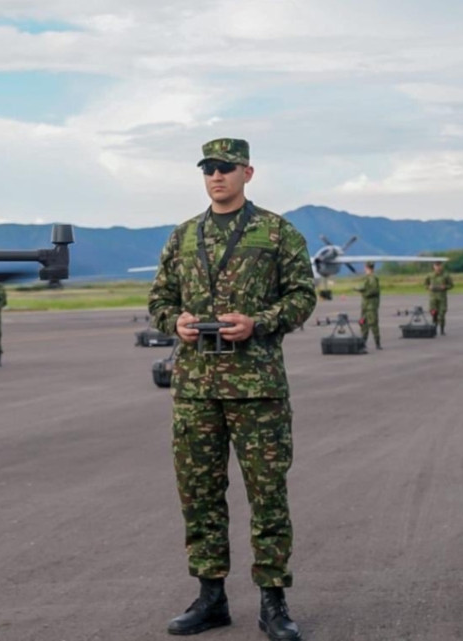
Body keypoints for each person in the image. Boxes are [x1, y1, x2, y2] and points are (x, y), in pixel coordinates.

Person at [148, 138, 316, 640]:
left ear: (248, 172)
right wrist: (174, 322)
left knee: (267, 494)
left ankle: (273, 601)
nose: (216, 176)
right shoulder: (184, 236)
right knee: (199, 494)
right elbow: (159, 299)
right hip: (196, 389)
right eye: (208, 169)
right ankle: (211, 597)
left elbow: (302, 296)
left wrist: (259, 322)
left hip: (257, 388)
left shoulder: (276, 232)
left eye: (225, 167)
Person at [357, 261, 381, 350]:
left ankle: (377, 343)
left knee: (373, 324)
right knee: (363, 323)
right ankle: (363, 343)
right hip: (365, 305)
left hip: (371, 306)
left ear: (367, 268)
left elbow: (373, 291)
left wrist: (363, 292)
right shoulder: (367, 278)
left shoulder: (372, 278)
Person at [425, 260, 454, 335]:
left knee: (442, 314)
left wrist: (445, 287)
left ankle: (442, 330)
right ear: (434, 266)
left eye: (439, 265)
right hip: (433, 298)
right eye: (436, 265)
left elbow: (451, 285)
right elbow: (425, 284)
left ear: (441, 266)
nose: (438, 267)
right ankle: (434, 328)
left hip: (442, 298)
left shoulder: (446, 275)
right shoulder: (430, 275)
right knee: (434, 313)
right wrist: (428, 287)